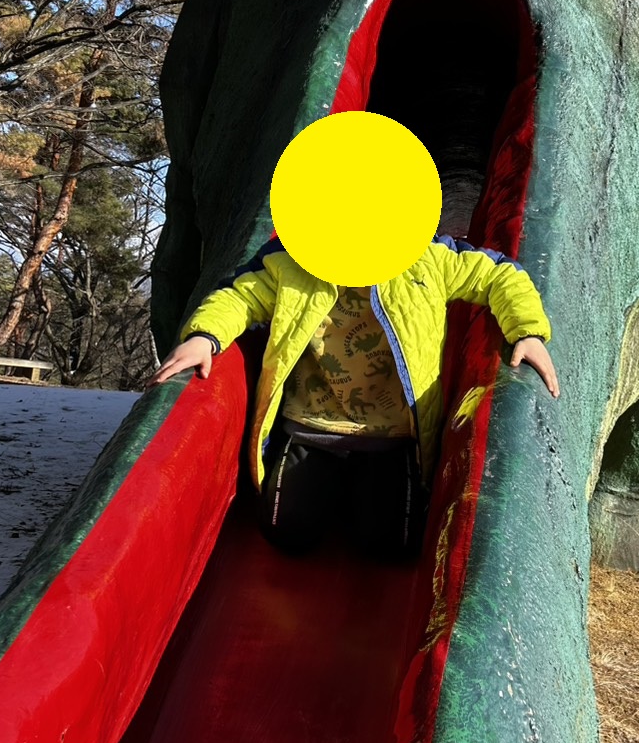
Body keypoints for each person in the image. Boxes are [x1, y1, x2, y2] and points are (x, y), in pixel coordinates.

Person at [150, 110, 559, 561]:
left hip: (392, 438)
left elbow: (500, 276)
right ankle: (332, 490)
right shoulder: (291, 263)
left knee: (389, 548)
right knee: (285, 532)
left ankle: (356, 497)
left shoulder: (430, 261)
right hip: (312, 428)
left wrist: (527, 332)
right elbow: (240, 296)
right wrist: (204, 336)